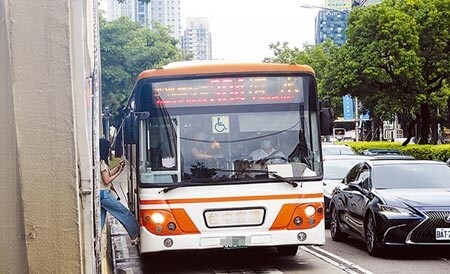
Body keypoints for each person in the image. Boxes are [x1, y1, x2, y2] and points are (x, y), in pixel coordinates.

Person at [99, 138, 139, 244]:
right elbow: (107, 180)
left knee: (100, 221)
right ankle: (136, 234)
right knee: (124, 213)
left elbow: (107, 174)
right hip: (104, 194)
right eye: (108, 149)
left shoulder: (101, 162)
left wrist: (118, 168)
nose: (109, 151)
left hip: (100, 194)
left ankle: (96, 241)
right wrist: (119, 173)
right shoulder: (102, 163)